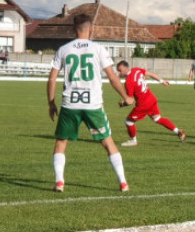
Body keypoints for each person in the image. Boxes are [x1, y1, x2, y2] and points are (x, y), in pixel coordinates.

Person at [47, 13, 134, 193]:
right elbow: (112, 77)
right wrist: (126, 96)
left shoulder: (63, 49)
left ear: (73, 29)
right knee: (108, 142)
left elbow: (52, 78)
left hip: (70, 104)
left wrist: (51, 103)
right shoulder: (98, 49)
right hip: (92, 105)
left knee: (61, 143)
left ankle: (59, 182)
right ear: (91, 28)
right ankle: (123, 182)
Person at [116, 60, 186, 146]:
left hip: (143, 104)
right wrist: (162, 81)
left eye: (120, 71)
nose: (119, 73)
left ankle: (133, 140)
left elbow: (130, 101)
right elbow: (151, 74)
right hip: (151, 99)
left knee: (129, 122)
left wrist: (122, 104)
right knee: (157, 119)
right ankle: (178, 131)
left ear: (126, 68)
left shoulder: (128, 82)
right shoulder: (136, 70)